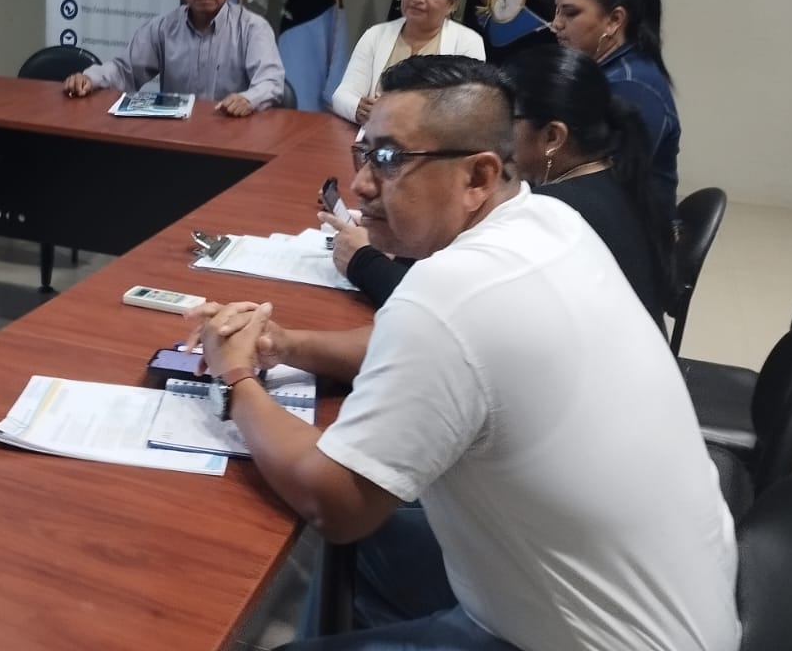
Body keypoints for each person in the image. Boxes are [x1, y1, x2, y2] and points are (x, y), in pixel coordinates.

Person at [191, 56, 738, 651]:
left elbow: (335, 502)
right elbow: (425, 350)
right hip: (675, 609)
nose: (362, 184)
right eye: (363, 152)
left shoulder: (448, 295)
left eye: (390, 159)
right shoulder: (549, 218)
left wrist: (237, 376)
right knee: (372, 546)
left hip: (604, 641)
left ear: (477, 176)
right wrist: (285, 344)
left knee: (341, 541)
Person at [329, 49, 673, 324]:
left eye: (506, 120)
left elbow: (444, 313)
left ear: (552, 137)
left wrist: (362, 260)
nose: (493, 134)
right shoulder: (612, 180)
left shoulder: (554, 214)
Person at [61, 0, 286, 116]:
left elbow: (271, 81)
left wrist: (248, 99)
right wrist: (89, 78)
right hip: (176, 132)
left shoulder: (252, 28)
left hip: (232, 128)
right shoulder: (163, 27)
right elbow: (125, 70)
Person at [552, 0, 680, 216]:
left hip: (634, 230)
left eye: (570, 13)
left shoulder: (632, 87)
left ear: (614, 20)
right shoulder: (604, 72)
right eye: (557, 10)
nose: (555, 24)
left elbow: (606, 189)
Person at [331, 0, 484, 125]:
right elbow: (342, 95)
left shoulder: (467, 43)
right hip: (374, 134)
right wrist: (357, 108)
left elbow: (468, 109)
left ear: (452, 4)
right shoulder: (376, 35)